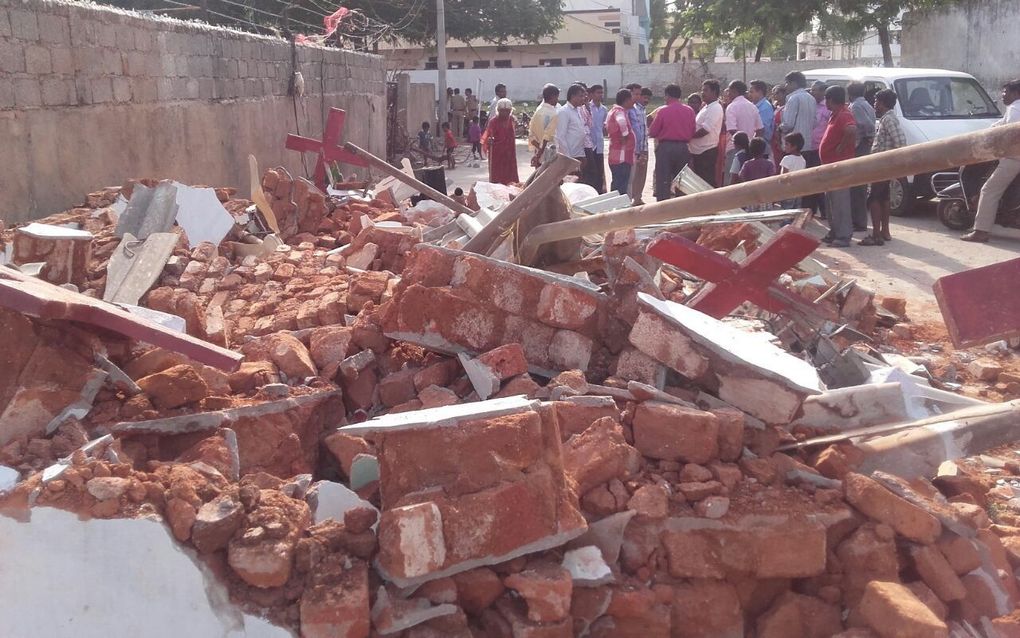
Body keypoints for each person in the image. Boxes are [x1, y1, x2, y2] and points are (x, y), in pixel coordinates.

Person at [962, 79, 1020, 243]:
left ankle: (981, 231)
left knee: (989, 190)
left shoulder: (1015, 109)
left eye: (1005, 92)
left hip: (1014, 157)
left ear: (1015, 93)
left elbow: (1009, 134)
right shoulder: (1013, 109)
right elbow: (999, 126)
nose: (1002, 95)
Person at [860, 89, 906, 246]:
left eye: (876, 101)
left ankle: (876, 234)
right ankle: (885, 232)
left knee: (874, 199)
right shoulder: (888, 118)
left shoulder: (888, 120)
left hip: (882, 165)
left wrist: (891, 159)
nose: (874, 104)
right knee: (884, 198)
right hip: (885, 165)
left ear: (882, 103)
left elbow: (900, 141)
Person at [819, 85, 858, 248]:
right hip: (831, 167)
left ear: (830, 100)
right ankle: (834, 232)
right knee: (831, 202)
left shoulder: (844, 114)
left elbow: (851, 129)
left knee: (840, 202)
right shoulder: (835, 114)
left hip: (840, 168)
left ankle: (843, 236)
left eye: (826, 99)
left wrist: (841, 147)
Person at [781, 72, 822, 213]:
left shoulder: (792, 98)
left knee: (790, 182)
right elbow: (815, 122)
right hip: (807, 144)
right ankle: (807, 211)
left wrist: (779, 128)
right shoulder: (811, 98)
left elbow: (788, 123)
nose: (786, 86)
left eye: (787, 83)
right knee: (806, 182)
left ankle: (791, 212)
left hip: (793, 145)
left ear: (793, 83)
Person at [649, 84, 697, 201]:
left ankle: (663, 207)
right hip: (683, 148)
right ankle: (681, 205)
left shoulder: (663, 111)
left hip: (666, 148)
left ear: (667, 96)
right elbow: (692, 131)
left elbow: (653, 131)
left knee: (663, 179)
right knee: (682, 180)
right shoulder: (689, 111)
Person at [848, 81, 877, 232]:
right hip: (863, 145)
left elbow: (868, 125)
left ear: (850, 94)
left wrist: (868, 136)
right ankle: (859, 220)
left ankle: (859, 221)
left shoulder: (856, 106)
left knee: (857, 187)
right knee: (859, 186)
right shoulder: (867, 105)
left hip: (859, 147)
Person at [723, 80, 764, 185]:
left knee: (731, 180)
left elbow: (732, 130)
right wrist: (751, 145)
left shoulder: (732, 106)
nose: (728, 94)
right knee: (747, 181)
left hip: (735, 148)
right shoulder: (752, 106)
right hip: (750, 150)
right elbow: (760, 129)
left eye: (729, 91)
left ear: (734, 91)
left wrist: (741, 145)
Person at [689, 79, 724, 187]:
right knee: (699, 182)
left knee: (706, 181)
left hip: (706, 151)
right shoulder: (706, 107)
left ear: (714, 92)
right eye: (702, 90)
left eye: (705, 90)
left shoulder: (715, 108)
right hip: (698, 151)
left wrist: (688, 136)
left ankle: (710, 203)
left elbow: (705, 130)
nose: (702, 93)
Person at [481, 98, 519, 185]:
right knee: (497, 176)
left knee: (510, 175)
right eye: (502, 111)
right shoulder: (493, 122)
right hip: (497, 153)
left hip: (510, 153)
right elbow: (487, 136)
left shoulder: (512, 120)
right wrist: (489, 141)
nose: (505, 113)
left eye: (507, 111)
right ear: (498, 110)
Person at [556, 84, 590, 176]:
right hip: (570, 156)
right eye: (581, 96)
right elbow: (560, 136)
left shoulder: (578, 110)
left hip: (579, 153)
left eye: (584, 96)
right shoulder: (564, 112)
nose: (583, 98)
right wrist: (569, 159)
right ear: (572, 96)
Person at [606, 88, 636, 196]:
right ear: (627, 100)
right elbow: (621, 122)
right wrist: (625, 134)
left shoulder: (612, 111)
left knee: (617, 183)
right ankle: (618, 209)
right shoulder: (619, 111)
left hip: (616, 154)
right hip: (622, 157)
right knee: (621, 186)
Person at [627, 85, 651, 204]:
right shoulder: (630, 109)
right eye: (636, 94)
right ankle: (630, 198)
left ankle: (637, 197)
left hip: (644, 146)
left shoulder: (642, 109)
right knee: (633, 174)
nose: (639, 97)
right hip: (634, 148)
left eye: (639, 94)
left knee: (642, 173)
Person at [529, 84, 560, 167]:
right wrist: (540, 153)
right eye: (557, 97)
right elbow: (547, 136)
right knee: (550, 177)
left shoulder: (538, 111)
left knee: (539, 177)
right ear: (553, 97)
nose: (558, 100)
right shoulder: (553, 114)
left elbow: (531, 135)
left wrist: (538, 152)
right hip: (549, 152)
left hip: (538, 149)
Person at [587, 84, 608, 194]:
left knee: (600, 172)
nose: (600, 95)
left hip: (599, 144)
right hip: (590, 144)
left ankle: (600, 194)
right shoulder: (587, 108)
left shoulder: (604, 109)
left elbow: (604, 126)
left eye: (601, 92)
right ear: (592, 94)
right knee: (592, 172)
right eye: (598, 92)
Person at [749, 80, 775, 157]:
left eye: (752, 92)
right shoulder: (754, 106)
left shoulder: (765, 107)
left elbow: (762, 129)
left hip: (761, 148)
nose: (749, 94)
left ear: (759, 92)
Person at [770, 85, 787, 170]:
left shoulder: (786, 108)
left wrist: (780, 142)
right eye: (773, 94)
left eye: (777, 93)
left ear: (784, 94)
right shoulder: (775, 107)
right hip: (774, 139)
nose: (775, 96)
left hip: (780, 139)